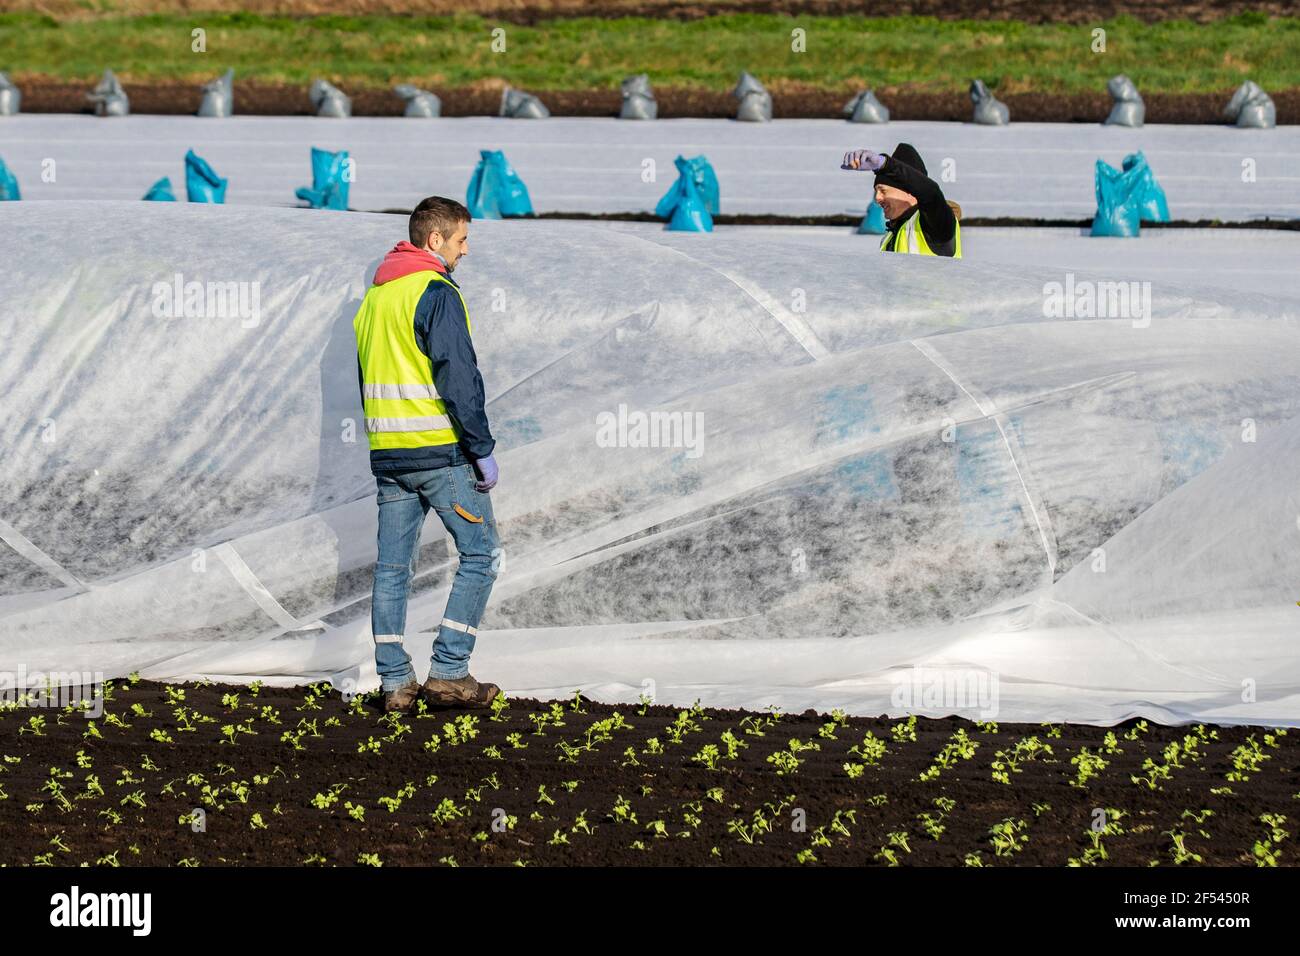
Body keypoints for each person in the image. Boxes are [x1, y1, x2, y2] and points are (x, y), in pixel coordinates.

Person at [352, 195, 502, 713]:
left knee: (393, 568)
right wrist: (480, 448)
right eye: (461, 240)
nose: (465, 251)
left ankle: (396, 682)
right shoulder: (435, 292)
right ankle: (450, 672)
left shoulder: (376, 298)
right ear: (434, 240)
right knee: (482, 555)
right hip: (439, 452)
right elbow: (457, 377)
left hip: (388, 456)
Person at [842, 143, 962, 258]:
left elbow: (931, 193)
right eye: (876, 191)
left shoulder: (936, 225)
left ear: (910, 190)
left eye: (883, 191)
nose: (877, 198)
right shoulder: (889, 238)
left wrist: (885, 165)